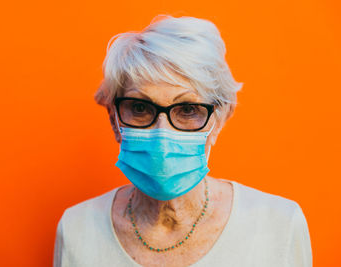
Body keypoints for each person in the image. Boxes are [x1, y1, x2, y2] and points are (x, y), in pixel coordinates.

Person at [53, 14, 312, 267]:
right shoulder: (77, 228)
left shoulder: (280, 226)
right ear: (114, 119)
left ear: (218, 120)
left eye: (188, 109)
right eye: (141, 108)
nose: (162, 134)